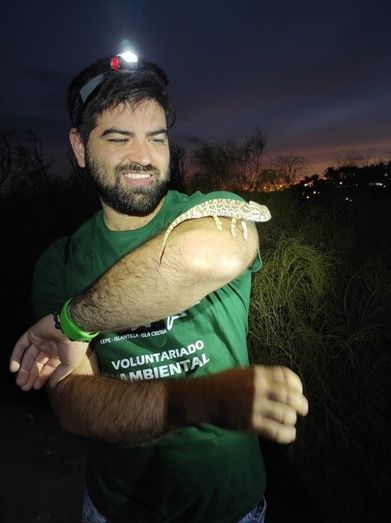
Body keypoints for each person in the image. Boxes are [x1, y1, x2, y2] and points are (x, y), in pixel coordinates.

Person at [10, 52, 308, 523]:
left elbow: (213, 255)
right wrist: (204, 400)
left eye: (156, 138)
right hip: (116, 507)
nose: (143, 158)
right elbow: (74, 405)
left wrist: (71, 321)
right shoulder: (60, 261)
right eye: (118, 138)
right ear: (80, 147)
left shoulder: (216, 208)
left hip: (231, 507)